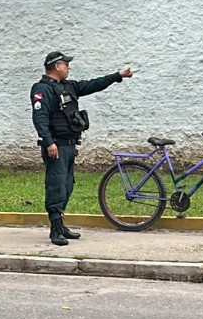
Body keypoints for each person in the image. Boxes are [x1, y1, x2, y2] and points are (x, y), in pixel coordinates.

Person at [32, 50, 134, 247]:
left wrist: (117, 76)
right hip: (57, 146)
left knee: (68, 185)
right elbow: (40, 117)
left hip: (70, 145)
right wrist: (48, 142)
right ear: (57, 66)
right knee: (56, 186)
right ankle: (55, 228)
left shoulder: (67, 86)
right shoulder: (42, 89)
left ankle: (60, 224)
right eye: (66, 64)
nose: (68, 68)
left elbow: (92, 84)